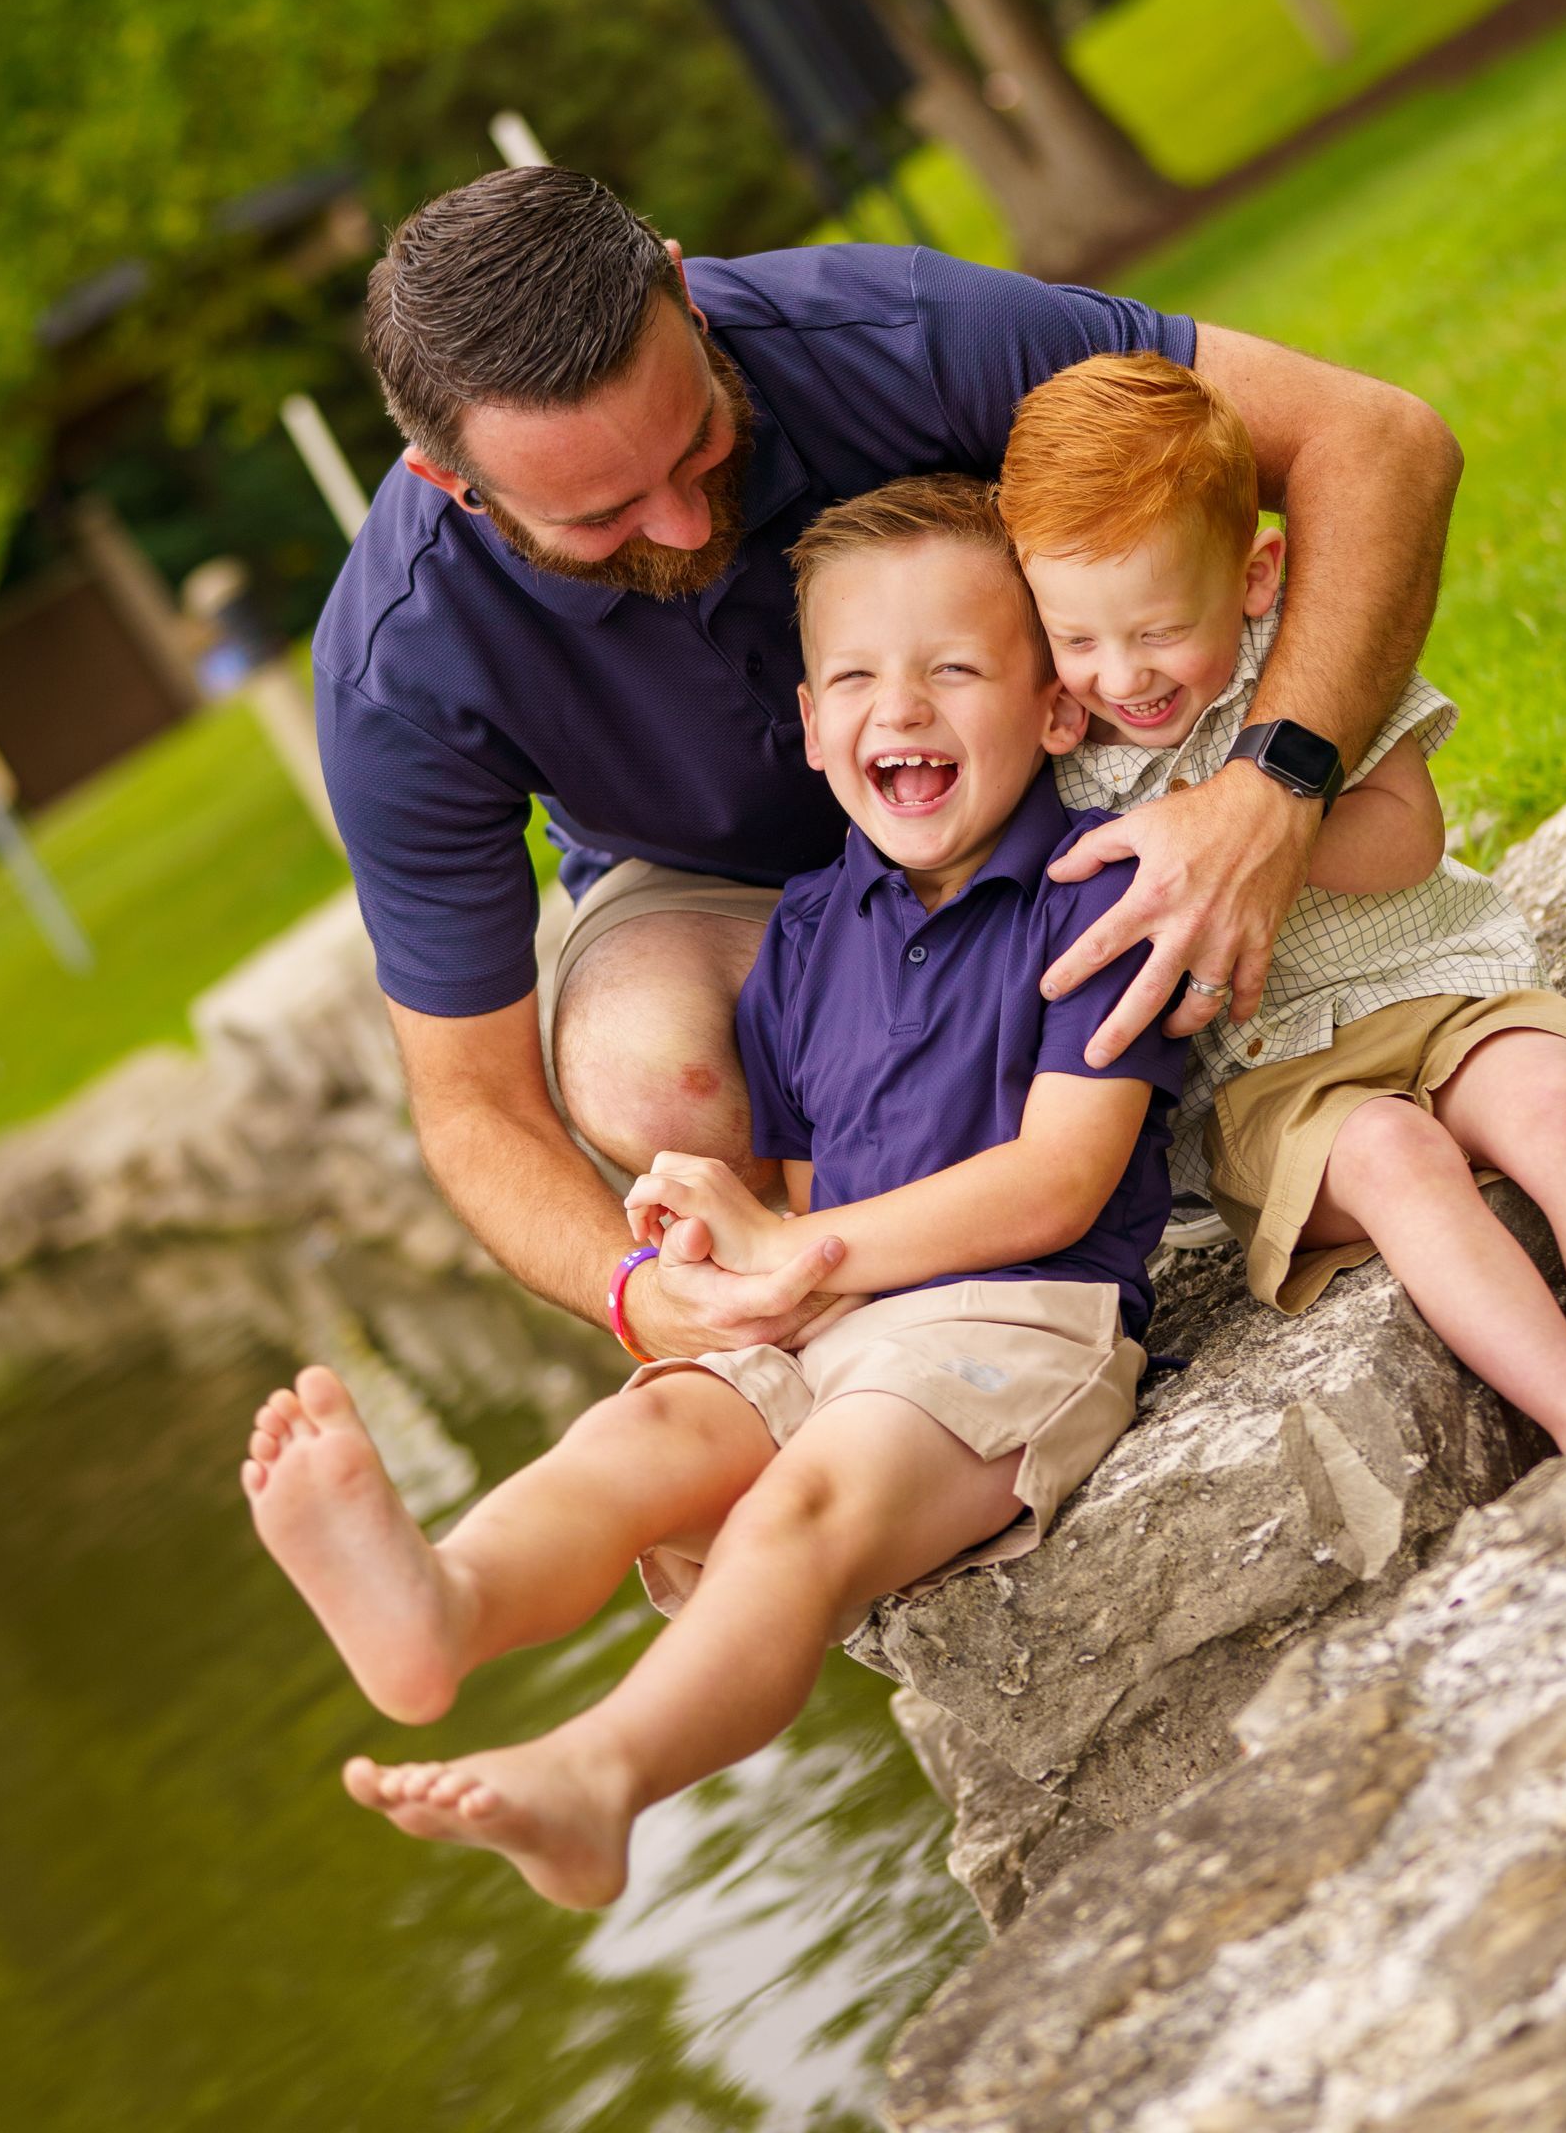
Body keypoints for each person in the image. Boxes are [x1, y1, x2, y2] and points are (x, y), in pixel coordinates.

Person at [313, 164, 1460, 1366]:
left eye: (700, 441)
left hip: (1058, 804)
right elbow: (474, 1106)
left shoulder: (893, 328)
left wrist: (1269, 791)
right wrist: (639, 1294)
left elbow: (1377, 440)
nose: (688, 527)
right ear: (455, 483)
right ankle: (854, 1345)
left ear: (683, 293)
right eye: (602, 519)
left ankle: (1130, 1180)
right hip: (737, 898)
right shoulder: (396, 667)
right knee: (649, 1076)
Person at [245, 477, 1184, 1905]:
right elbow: (802, 1183)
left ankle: (601, 1774)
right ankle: (443, 1601)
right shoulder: (806, 937)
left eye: (955, 670)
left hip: (1020, 1328)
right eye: (858, 677)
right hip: (841, 1317)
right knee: (651, 1434)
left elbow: (1059, 1183)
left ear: (1057, 708)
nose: (903, 709)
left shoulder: (1097, 892)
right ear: (810, 727)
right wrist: (742, 1266)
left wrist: (795, 1254)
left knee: (800, 1509)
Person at [997, 351, 1566, 1452]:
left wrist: (1233, 826)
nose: (1121, 675)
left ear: (1254, 574)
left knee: (1557, 1102)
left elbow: (1405, 837)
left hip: (1434, 993)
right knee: (1396, 1157)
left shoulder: (1294, 666)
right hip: (1268, 1092)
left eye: (1155, 631)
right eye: (1078, 639)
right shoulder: (1055, 760)